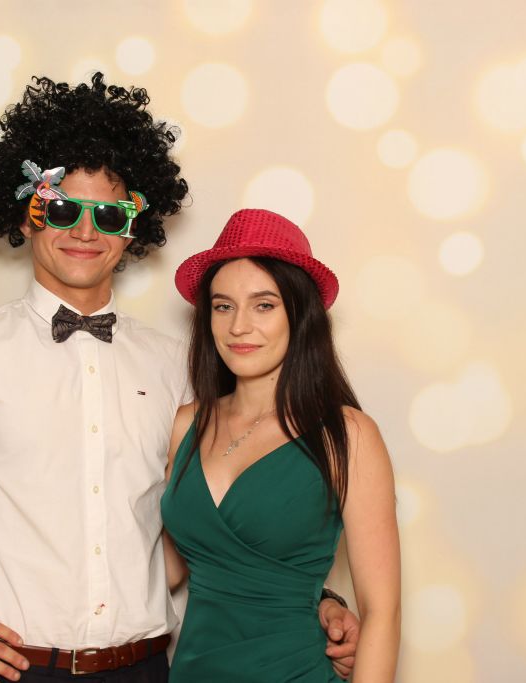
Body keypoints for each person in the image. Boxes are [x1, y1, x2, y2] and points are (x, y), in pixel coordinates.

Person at [0, 74, 359, 683]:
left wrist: (316, 601)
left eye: (109, 214)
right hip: (13, 670)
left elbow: (229, 514)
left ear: (132, 226)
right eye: (62, 208)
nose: (86, 232)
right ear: (27, 215)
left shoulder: (181, 366)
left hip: (151, 669)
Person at [161, 209, 401, 682]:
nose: (238, 326)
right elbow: (166, 572)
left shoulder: (347, 434)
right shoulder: (187, 423)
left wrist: (321, 601)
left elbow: (382, 613)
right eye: (223, 306)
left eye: (264, 305)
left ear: (300, 314)